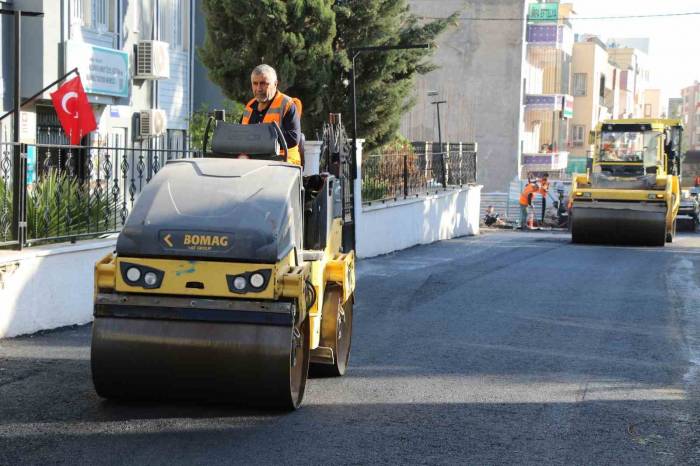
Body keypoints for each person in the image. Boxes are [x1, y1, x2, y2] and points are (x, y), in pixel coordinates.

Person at [241, 64, 302, 165]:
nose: (259, 88)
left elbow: (293, 138)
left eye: (264, 83)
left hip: (284, 161)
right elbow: (241, 134)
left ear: (275, 84)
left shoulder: (287, 104)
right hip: (255, 162)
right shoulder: (249, 106)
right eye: (255, 83)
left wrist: (260, 139)